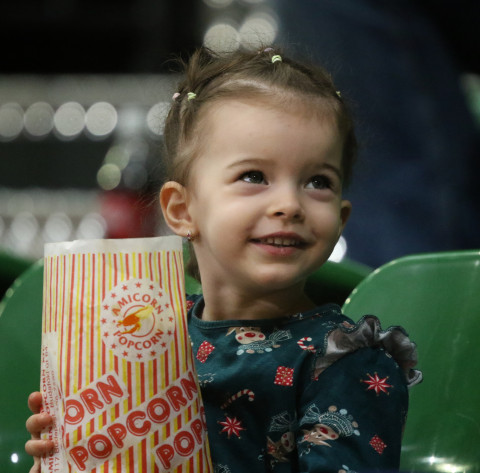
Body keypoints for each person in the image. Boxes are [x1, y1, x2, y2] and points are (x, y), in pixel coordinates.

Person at [25, 46, 421, 473]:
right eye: (254, 176)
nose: (289, 204)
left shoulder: (345, 362)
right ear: (182, 210)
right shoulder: (144, 347)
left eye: (318, 181)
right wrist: (72, 454)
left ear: (341, 218)